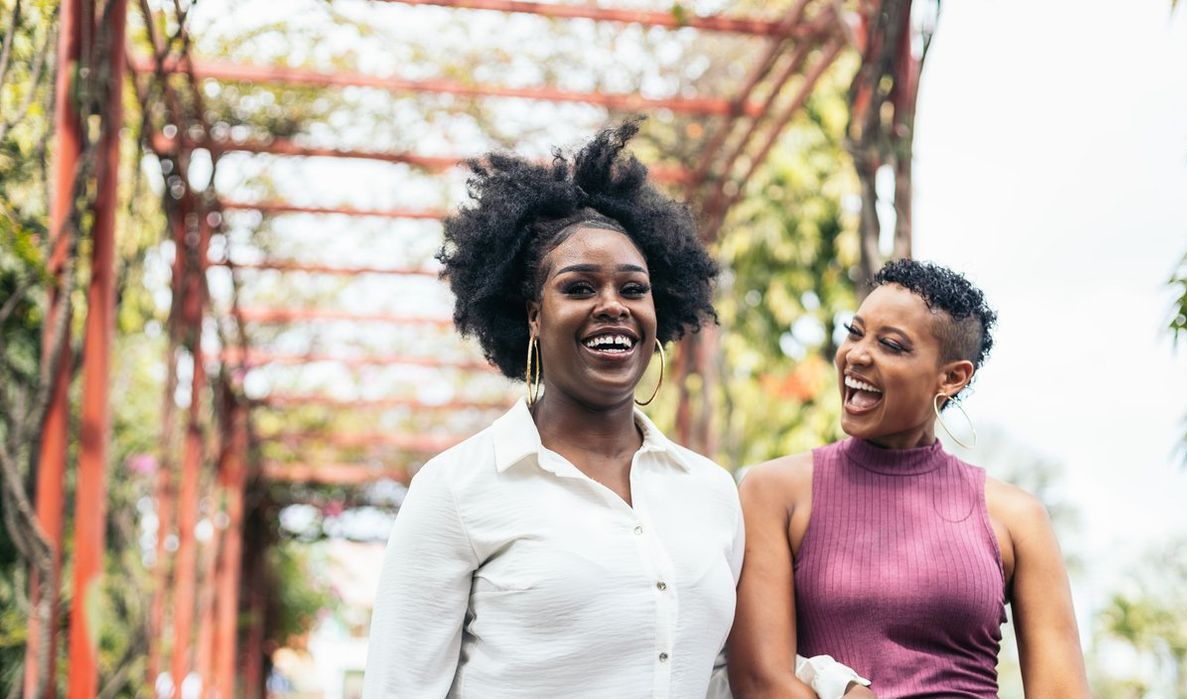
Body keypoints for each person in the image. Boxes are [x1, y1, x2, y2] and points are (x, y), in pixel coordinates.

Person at [362, 122, 741, 698]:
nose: (613, 305)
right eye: (580, 288)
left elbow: (721, 678)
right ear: (533, 317)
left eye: (633, 289)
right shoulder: (458, 489)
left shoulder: (711, 493)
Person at [726, 259, 1091, 698]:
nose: (857, 355)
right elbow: (759, 682)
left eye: (892, 345)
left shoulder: (1017, 518)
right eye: (855, 332)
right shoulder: (774, 492)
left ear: (952, 377)